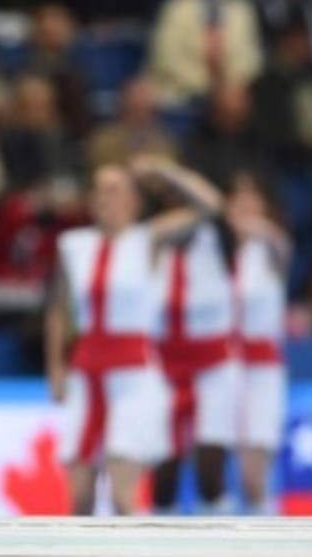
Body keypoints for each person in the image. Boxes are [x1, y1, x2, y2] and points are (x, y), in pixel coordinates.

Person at [45, 155, 223, 515]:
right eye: (98, 191)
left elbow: (211, 206)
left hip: (134, 374)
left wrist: (165, 172)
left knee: (123, 493)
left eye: (114, 190)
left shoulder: (149, 239)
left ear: (134, 201)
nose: (104, 198)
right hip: (86, 371)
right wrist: (56, 367)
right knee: (78, 498)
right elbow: (59, 311)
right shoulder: (73, 245)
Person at [151, 221, 238, 514]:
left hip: (212, 367)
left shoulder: (221, 238)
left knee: (210, 474)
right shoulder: (151, 239)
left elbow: (216, 208)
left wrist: (167, 173)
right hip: (164, 370)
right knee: (163, 480)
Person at [224, 171, 290, 514]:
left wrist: (252, 224)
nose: (244, 205)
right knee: (228, 469)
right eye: (237, 198)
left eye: (252, 198)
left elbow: (280, 244)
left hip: (262, 369)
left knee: (255, 474)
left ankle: (271, 529)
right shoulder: (219, 252)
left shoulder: (272, 249)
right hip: (225, 367)